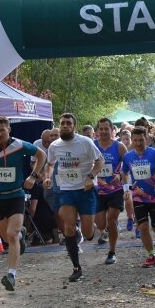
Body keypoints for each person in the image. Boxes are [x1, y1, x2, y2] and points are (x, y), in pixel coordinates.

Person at [0, 116, 46, 291]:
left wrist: (33, 176)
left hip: (16, 195)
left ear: (9, 129)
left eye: (2, 130)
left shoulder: (19, 145)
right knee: (8, 237)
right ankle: (21, 235)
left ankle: (11, 275)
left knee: (11, 235)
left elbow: (41, 155)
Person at [44, 113, 104, 282]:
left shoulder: (85, 142)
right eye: (62, 123)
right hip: (66, 190)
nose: (64, 126)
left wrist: (91, 177)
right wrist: (47, 177)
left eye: (68, 123)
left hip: (86, 190)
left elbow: (100, 161)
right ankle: (76, 268)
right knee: (68, 227)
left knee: (88, 233)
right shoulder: (54, 146)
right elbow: (50, 164)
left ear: (74, 127)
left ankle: (88, 228)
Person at [122, 126, 155, 267]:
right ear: (132, 140)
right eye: (135, 140)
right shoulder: (128, 156)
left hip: (154, 196)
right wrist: (126, 189)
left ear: (147, 139)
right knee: (142, 227)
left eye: (141, 140)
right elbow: (124, 173)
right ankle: (151, 255)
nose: (138, 143)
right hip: (138, 197)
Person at [93, 117, 127, 265]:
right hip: (97, 190)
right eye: (101, 128)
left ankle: (112, 252)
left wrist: (120, 175)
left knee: (112, 219)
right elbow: (86, 164)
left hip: (115, 189)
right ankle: (104, 230)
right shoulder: (92, 146)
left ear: (112, 130)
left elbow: (128, 166)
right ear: (97, 131)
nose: (104, 131)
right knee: (100, 224)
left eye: (106, 128)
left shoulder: (119, 147)